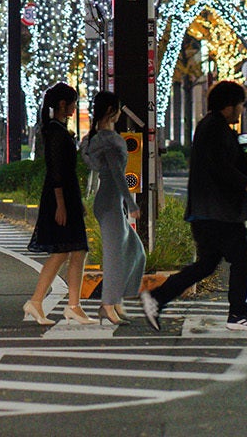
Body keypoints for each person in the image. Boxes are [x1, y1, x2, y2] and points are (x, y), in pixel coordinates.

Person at [140, 80, 247, 332]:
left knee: (207, 264)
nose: (241, 110)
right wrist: (246, 183)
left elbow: (226, 160)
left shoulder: (212, 126)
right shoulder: (214, 128)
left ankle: (157, 297)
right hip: (217, 212)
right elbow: (219, 166)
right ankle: (238, 314)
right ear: (229, 105)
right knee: (241, 257)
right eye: (240, 104)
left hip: (209, 212)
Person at [24, 82, 93, 325]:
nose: (75, 107)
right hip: (59, 198)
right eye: (73, 103)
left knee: (76, 250)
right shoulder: (55, 132)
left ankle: (72, 305)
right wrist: (61, 204)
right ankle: (39, 301)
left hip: (67, 196)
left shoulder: (58, 129)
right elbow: (55, 170)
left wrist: (75, 202)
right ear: (63, 104)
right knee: (63, 250)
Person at [79, 90, 146, 325]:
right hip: (110, 201)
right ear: (111, 111)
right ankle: (108, 306)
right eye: (117, 109)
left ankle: (115, 301)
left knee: (134, 251)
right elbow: (117, 174)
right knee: (115, 256)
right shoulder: (109, 140)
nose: (120, 113)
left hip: (109, 200)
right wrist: (131, 203)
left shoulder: (95, 138)